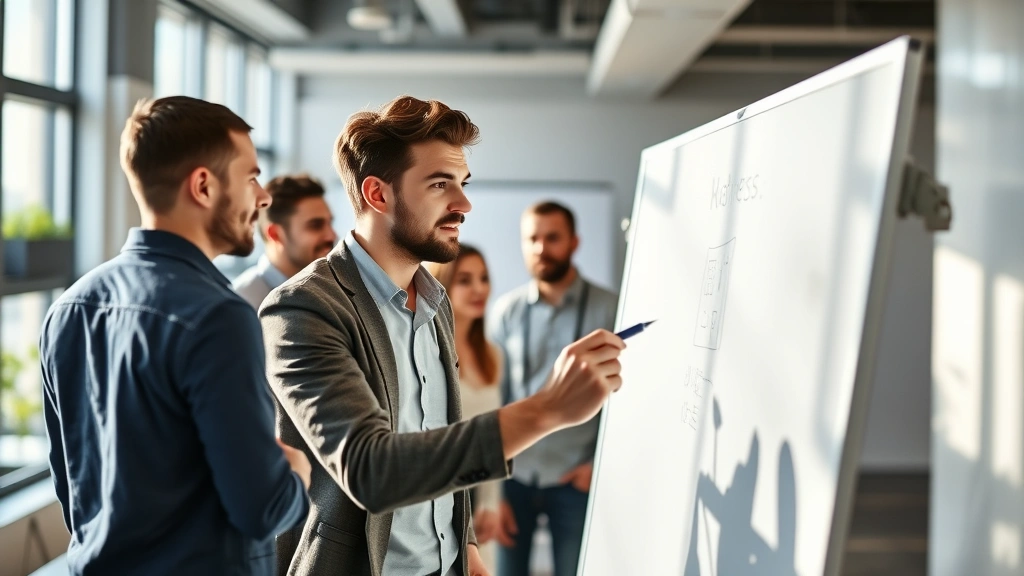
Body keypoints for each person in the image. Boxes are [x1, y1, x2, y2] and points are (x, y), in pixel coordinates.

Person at [259, 95, 625, 576]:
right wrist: (547, 409)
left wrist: (464, 545)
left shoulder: (434, 302)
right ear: (378, 194)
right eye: (440, 185)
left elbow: (438, 439)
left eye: (463, 184)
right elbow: (372, 471)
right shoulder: (303, 308)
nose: (463, 203)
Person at [38, 96, 311, 575]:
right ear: (203, 186)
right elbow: (262, 510)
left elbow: (73, 486)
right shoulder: (219, 317)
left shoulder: (69, 308)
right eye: (251, 178)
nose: (263, 197)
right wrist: (295, 471)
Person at [488, 201, 619, 576]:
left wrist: (598, 465)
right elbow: (493, 399)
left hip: (575, 477)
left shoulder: (608, 309)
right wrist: (491, 489)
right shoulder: (505, 311)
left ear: (574, 242)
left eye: (553, 237)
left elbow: (625, 397)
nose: (541, 248)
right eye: (532, 238)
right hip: (515, 475)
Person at [426, 244, 506, 573]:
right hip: (443, 498)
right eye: (465, 280)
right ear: (442, 284)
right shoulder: (428, 353)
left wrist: (492, 503)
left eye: (484, 278)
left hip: (483, 494)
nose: (479, 289)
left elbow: (496, 433)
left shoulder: (493, 355)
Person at [233, 174, 338, 310]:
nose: (332, 235)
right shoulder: (242, 304)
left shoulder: (332, 291)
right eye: (315, 225)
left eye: (330, 223)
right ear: (275, 234)